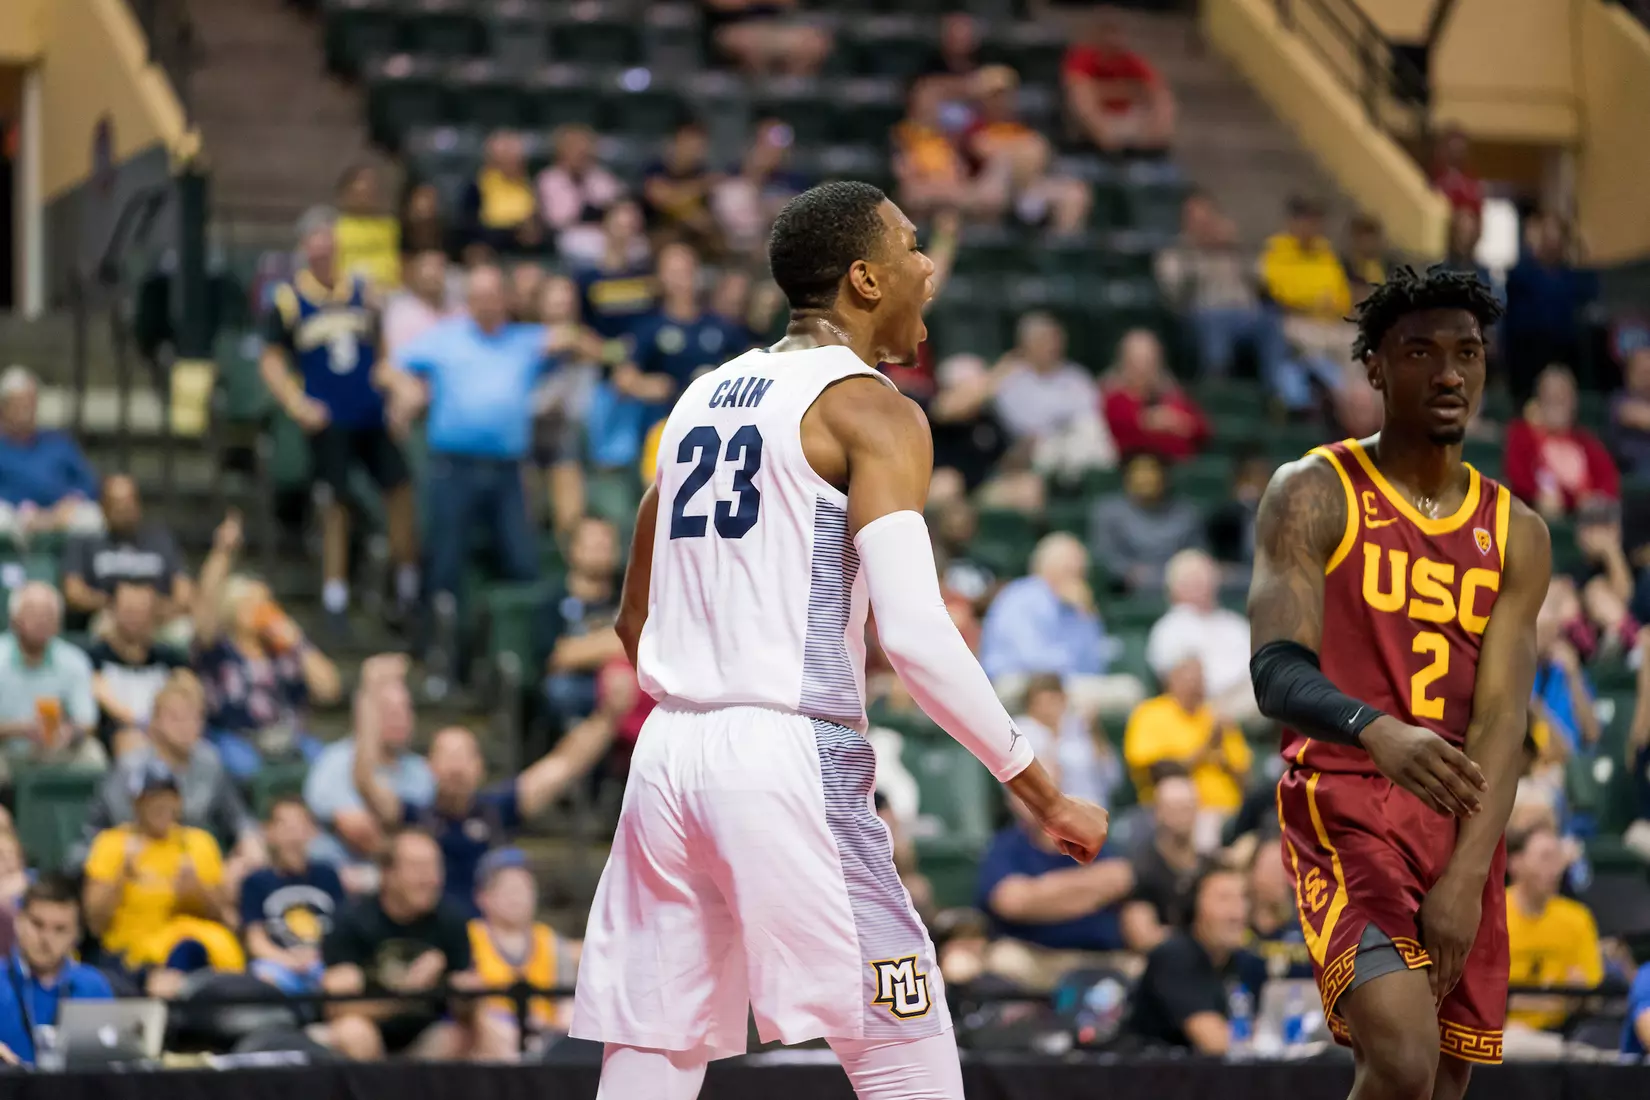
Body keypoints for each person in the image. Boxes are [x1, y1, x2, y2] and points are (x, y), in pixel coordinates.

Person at [570, 181, 1109, 1099]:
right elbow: (914, 636)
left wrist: (705, 692)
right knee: (903, 1037)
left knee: (655, 1051)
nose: (929, 265)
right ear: (865, 279)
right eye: (911, 246)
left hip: (667, 754)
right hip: (785, 747)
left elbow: (634, 618)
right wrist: (1042, 790)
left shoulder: (703, 397)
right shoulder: (873, 409)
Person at [1247, 267, 1550, 1096]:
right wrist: (1373, 728)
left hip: (1459, 822)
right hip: (1347, 797)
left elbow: (1501, 720)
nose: (1450, 374)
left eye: (1468, 353)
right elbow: (1274, 671)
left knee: (1437, 1088)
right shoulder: (1313, 491)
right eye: (1421, 352)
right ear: (1376, 367)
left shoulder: (1517, 532)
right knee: (1406, 1064)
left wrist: (1464, 877)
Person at [382, 265, 598, 615]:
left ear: (505, 299)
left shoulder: (524, 339)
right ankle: (437, 649)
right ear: (467, 301)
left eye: (492, 295)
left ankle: (521, 644)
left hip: (508, 472)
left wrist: (569, 331)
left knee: (522, 560)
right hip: (453, 469)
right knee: (444, 560)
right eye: (478, 296)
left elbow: (586, 345)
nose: (485, 304)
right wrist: (404, 387)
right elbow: (387, 367)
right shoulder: (445, 337)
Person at [262, 206, 419, 634]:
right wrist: (297, 404)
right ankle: (335, 597)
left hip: (370, 412)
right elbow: (272, 362)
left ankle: (407, 584)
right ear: (304, 250)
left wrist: (397, 391)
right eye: (316, 247)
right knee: (336, 502)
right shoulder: (289, 298)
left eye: (330, 246)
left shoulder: (364, 293)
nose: (324, 254)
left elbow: (382, 354)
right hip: (329, 420)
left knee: (400, 487)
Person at [352, 655, 611, 911]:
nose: (456, 767)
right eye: (447, 756)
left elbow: (563, 765)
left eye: (465, 756)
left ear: (480, 767)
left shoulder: (497, 810)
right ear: (429, 767)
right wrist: (369, 692)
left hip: (488, 938)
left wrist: (609, 715)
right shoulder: (414, 817)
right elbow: (365, 781)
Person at [317, 828, 506, 1061]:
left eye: (435, 868)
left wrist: (467, 994)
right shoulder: (352, 920)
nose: (431, 880)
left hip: (425, 1035)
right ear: (387, 873)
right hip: (369, 1033)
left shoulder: (451, 920)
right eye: (418, 868)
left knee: (473, 1030)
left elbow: (462, 1007)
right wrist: (406, 993)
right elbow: (336, 1008)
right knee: (353, 1032)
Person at [192, 512, 340, 778]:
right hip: (235, 738)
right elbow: (204, 610)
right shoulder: (218, 648)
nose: (263, 609)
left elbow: (329, 690)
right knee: (246, 769)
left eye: (266, 602)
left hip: (287, 738)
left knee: (326, 764)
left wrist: (298, 642)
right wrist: (223, 552)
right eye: (253, 603)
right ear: (232, 608)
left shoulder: (284, 651)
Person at [82, 759, 244, 991]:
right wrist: (121, 878)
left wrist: (197, 893)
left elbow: (225, 916)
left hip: (198, 951)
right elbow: (95, 923)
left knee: (193, 952)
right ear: (136, 803)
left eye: (169, 797)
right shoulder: (113, 844)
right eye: (152, 799)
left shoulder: (198, 843)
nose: (162, 806)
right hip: (133, 955)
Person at [78, 671, 262, 871]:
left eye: (194, 717)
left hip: (192, 863)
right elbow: (122, 827)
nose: (186, 726)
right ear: (155, 721)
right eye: (175, 717)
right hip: (135, 860)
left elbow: (237, 817)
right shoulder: (131, 767)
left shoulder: (210, 762)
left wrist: (249, 842)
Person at [303, 654, 433, 878]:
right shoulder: (334, 761)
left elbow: (419, 829)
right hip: (339, 872)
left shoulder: (420, 771)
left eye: (405, 710)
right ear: (367, 716)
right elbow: (359, 833)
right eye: (389, 712)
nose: (400, 718)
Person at [1124, 865, 1262, 1054]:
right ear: (1195, 906)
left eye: (1243, 899)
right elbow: (1214, 1042)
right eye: (1224, 899)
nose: (1237, 913)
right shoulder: (1174, 957)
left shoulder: (1244, 961)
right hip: (1150, 1075)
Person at [468, 847, 580, 1054]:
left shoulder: (551, 941)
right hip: (489, 1045)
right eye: (507, 888)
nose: (517, 896)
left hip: (546, 1041)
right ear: (482, 897)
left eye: (524, 887)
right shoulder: (470, 939)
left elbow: (566, 1003)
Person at [1122, 652, 1253, 822]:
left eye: (1201, 677)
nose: (1197, 682)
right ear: (1171, 679)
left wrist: (1224, 760)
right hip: (1175, 815)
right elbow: (1159, 772)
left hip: (1230, 813)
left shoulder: (1217, 718)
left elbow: (1246, 779)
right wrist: (1206, 747)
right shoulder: (1150, 713)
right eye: (1190, 676)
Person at [0, 878, 114, 1067]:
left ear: (76, 935)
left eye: (60, 929)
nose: (46, 938)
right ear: (19, 921)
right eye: (37, 924)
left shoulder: (93, 985)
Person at [240, 797, 346, 995]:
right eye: (284, 825)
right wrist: (289, 961)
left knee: (346, 979)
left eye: (299, 825)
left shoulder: (328, 875)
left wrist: (318, 957)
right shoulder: (256, 881)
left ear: (312, 831)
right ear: (268, 832)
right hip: (278, 964)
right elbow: (255, 939)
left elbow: (344, 930)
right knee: (261, 980)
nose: (293, 834)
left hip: (323, 961)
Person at [62, 474, 192, 634]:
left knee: (183, 631)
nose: (124, 509)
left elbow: (184, 594)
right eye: (116, 503)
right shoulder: (86, 541)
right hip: (109, 615)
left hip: (158, 617)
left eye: (129, 501)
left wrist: (154, 609)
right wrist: (115, 604)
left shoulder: (161, 540)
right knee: (103, 628)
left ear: (139, 504)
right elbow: (73, 592)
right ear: (103, 507)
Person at [0, 583, 104, 779]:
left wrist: (69, 733)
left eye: (49, 614)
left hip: (54, 748)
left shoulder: (74, 660)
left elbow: (87, 721)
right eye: (33, 613)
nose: (42, 620)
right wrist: (19, 729)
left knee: (92, 754)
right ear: (15, 619)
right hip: (5, 747)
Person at [1503, 825, 1602, 1033]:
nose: (1554, 869)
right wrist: (1558, 1000)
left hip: (1561, 1035)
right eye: (1545, 858)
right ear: (1515, 863)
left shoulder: (1578, 918)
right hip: (1500, 1034)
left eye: (1558, 859)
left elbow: (1593, 997)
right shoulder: (1490, 915)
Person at [1147, 549, 1257, 722]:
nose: (1202, 586)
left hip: (1246, 693)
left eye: (1205, 578)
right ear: (1174, 588)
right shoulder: (1168, 628)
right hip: (1198, 706)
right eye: (1192, 580)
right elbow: (1172, 681)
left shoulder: (1234, 623)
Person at [0, 366, 103, 544]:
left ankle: (76, 570)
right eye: (19, 404)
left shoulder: (59, 443)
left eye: (31, 402)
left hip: (60, 514)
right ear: (3, 408)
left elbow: (89, 483)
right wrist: (25, 510)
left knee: (92, 518)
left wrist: (69, 502)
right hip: (15, 517)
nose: (26, 409)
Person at [1503, 364, 1620, 518]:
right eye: (1550, 396)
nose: (1557, 402)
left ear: (1574, 402)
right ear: (1538, 400)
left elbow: (1609, 483)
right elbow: (1519, 481)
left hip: (1587, 522)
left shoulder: (1587, 442)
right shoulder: (1521, 434)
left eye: (1563, 396)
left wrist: (1578, 500)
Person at [86, 584, 189, 758]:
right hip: (119, 736)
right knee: (132, 744)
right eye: (128, 610)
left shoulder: (170, 660)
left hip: (167, 732)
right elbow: (106, 700)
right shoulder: (94, 658)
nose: (135, 617)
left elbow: (189, 693)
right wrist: (145, 725)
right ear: (112, 611)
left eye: (142, 610)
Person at [540, 517, 625, 727]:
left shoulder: (627, 593)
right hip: (580, 685)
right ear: (572, 550)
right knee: (560, 689)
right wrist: (614, 642)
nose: (601, 551)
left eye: (606, 545)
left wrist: (588, 648)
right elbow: (558, 657)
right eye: (593, 545)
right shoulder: (554, 598)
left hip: (624, 680)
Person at [1119, 775, 1206, 952]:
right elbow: (1142, 937)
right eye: (1174, 808)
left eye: (1188, 807)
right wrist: (1203, 935)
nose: (1182, 816)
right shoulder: (1142, 868)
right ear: (1157, 812)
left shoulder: (1209, 867)